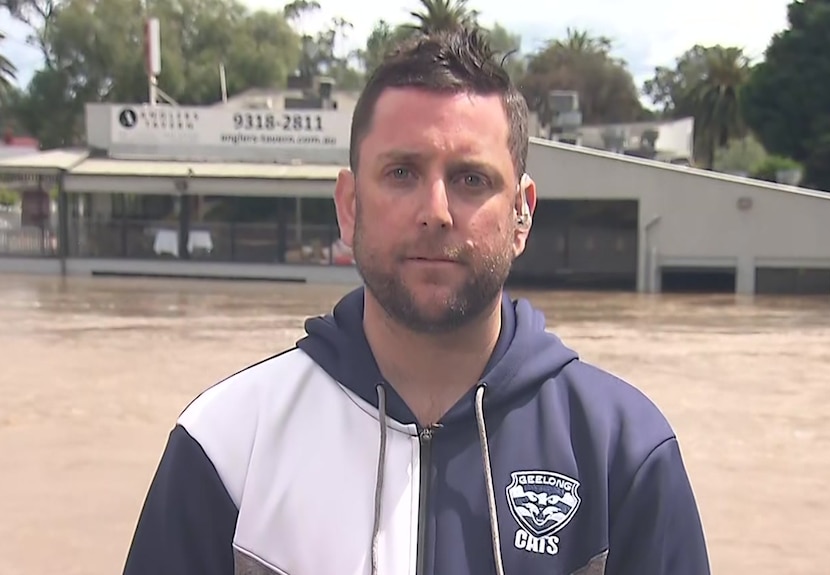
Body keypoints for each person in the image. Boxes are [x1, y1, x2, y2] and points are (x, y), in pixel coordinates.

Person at [122, 27, 711, 575]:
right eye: (402, 173)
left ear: (522, 213)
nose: (436, 209)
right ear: (349, 205)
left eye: (471, 179)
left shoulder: (622, 452)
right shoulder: (227, 446)